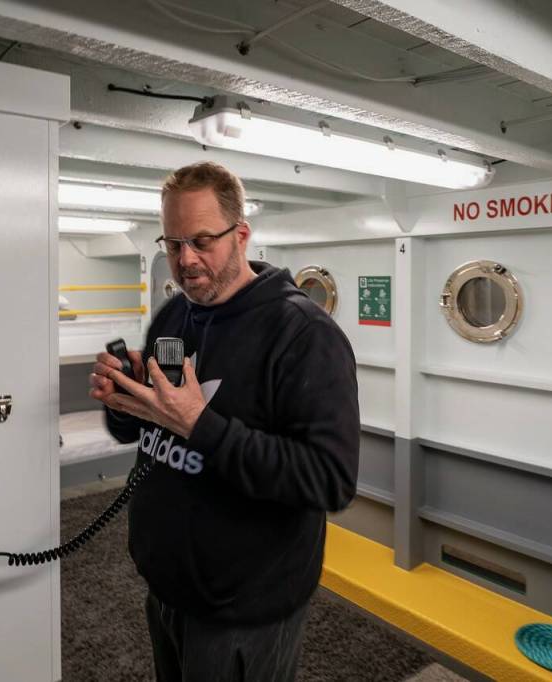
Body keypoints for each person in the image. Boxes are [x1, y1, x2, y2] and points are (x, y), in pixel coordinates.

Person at [89, 161, 360, 681]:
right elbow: (142, 432)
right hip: (168, 587)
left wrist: (200, 424)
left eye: (202, 241)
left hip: (246, 609)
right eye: (172, 244)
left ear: (241, 236)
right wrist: (122, 397)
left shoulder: (303, 335)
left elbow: (330, 480)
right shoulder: (177, 315)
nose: (185, 260)